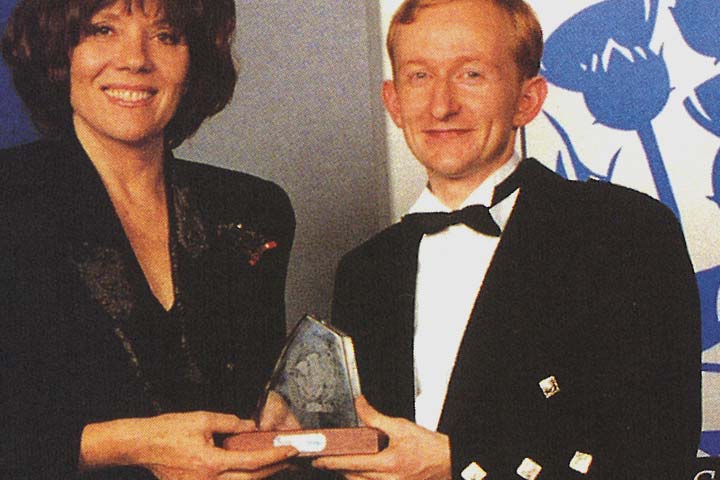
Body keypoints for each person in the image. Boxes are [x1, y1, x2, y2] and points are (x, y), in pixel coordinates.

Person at [315, 0, 701, 479]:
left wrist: (459, 463)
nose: (441, 105)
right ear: (393, 102)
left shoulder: (624, 233)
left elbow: (656, 455)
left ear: (527, 100)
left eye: (471, 74)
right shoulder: (365, 270)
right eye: (419, 76)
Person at [0, 0, 298, 478]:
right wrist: (127, 445)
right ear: (59, 50)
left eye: (166, 35)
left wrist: (279, 416)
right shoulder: (10, 200)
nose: (135, 58)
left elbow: (252, 395)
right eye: (103, 30)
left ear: (195, 59)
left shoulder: (254, 210)